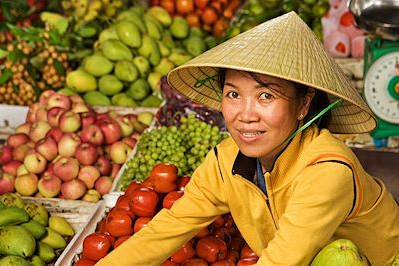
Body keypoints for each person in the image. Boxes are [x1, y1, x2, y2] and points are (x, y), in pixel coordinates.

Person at [96, 11, 399, 265]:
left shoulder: (328, 171)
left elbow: (280, 261)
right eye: (233, 94)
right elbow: (164, 231)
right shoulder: (224, 161)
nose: (245, 114)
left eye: (266, 95)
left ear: (303, 105)